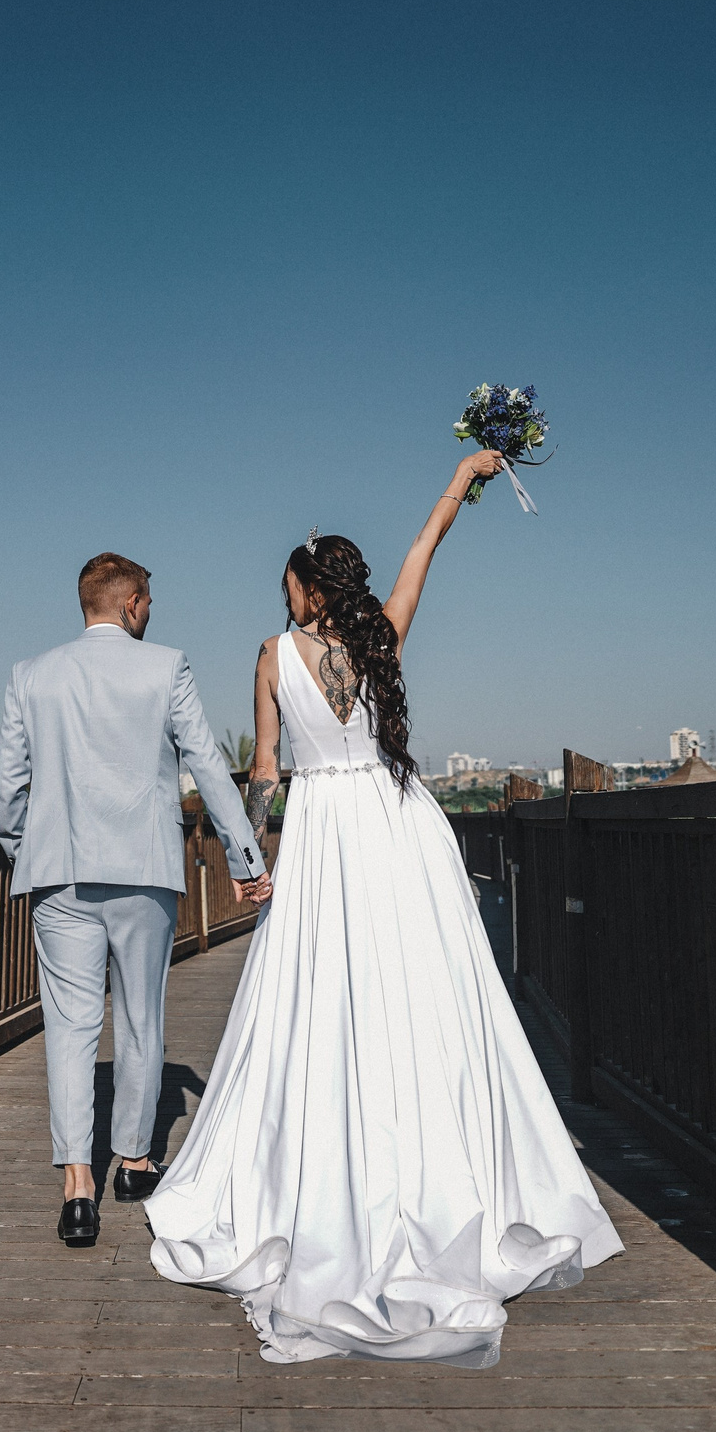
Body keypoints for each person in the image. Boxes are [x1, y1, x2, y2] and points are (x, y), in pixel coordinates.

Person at [144, 448, 624, 1366]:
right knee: (421, 992)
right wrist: (463, 475)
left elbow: (265, 770)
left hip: (324, 834)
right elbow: (424, 544)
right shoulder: (383, 636)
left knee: (319, 995)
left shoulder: (272, 654)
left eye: (289, 584)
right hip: (400, 827)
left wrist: (249, 854)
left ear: (305, 588)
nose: (285, 596)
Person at [0, 552, 276, 1248]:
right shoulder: (166, 667)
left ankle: (77, 1188)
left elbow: (6, 785)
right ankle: (136, 1164)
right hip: (144, 872)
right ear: (130, 603)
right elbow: (207, 762)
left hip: (59, 875)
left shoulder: (31, 674)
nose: (150, 612)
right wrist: (245, 857)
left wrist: (25, 848)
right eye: (148, 601)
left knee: (70, 1027)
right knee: (142, 1019)